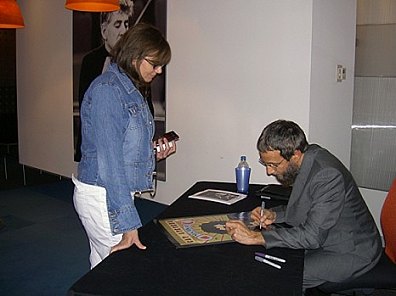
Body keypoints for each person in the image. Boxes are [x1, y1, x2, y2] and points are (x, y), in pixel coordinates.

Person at [225, 119, 382, 290]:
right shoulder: (308, 158)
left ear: (295, 155)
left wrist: (255, 237)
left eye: (273, 165)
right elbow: (308, 204)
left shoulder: (327, 175)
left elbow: (312, 236)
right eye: (266, 164)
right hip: (327, 235)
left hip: (350, 250)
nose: (269, 171)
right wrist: (274, 215)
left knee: (280, 276)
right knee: (272, 257)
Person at [72, 23, 175, 269]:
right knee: (118, 271)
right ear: (135, 56)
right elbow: (109, 163)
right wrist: (129, 223)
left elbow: (123, 150)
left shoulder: (129, 89)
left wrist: (154, 154)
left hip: (110, 192)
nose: (159, 70)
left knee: (102, 266)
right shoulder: (108, 91)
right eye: (155, 64)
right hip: (101, 194)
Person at [75, 1, 137, 161]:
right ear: (104, 31)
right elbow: (85, 105)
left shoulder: (133, 60)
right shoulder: (91, 61)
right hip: (98, 147)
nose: (124, 31)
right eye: (117, 25)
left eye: (126, 24)